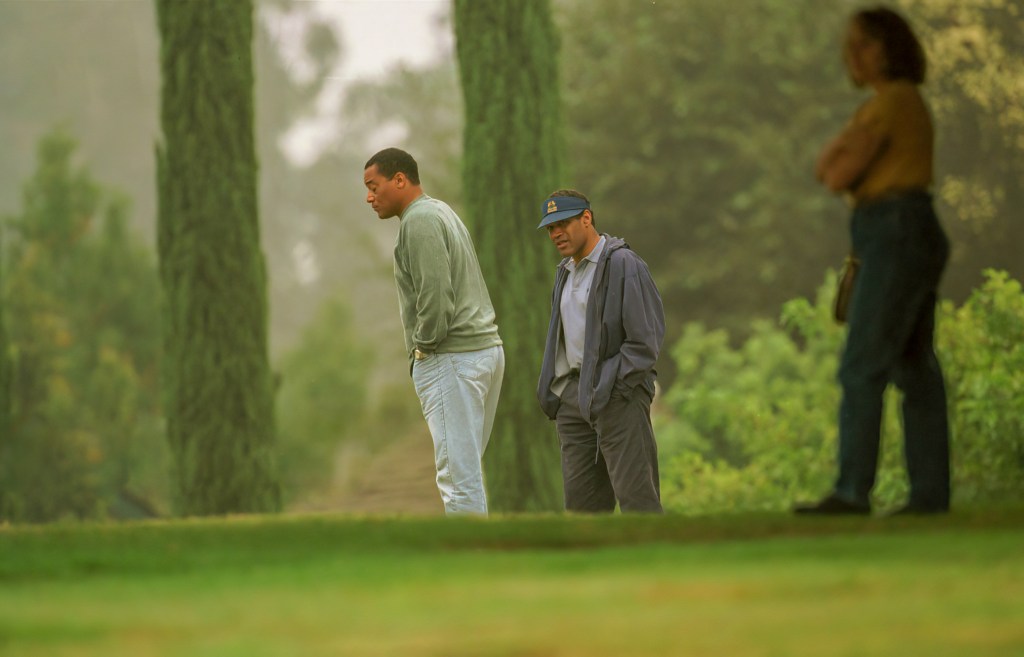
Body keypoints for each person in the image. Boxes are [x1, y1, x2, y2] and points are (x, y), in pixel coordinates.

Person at [796, 7, 951, 516]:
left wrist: (842, 157)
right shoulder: (888, 106)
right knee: (912, 367)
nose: (853, 56)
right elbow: (830, 167)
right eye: (850, 46)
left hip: (895, 231)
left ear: (891, 47)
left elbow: (838, 173)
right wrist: (840, 159)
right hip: (903, 230)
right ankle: (929, 497)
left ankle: (851, 492)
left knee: (862, 366)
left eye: (863, 44)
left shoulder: (892, 103)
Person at [363, 147, 505, 515]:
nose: (369, 197)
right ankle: (480, 561)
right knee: (466, 472)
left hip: (452, 358)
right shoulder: (441, 211)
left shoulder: (419, 220)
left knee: (458, 481)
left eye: (373, 186)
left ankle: (469, 566)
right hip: (482, 353)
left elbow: (436, 297)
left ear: (399, 179)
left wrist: (423, 347)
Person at [536, 189, 665, 513]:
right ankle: (593, 565)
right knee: (583, 511)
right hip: (572, 403)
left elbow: (644, 342)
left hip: (617, 398)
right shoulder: (564, 272)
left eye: (563, 223)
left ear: (587, 218)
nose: (556, 234)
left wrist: (610, 386)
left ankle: (656, 563)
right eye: (551, 228)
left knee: (638, 503)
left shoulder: (624, 264)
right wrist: (563, 394)